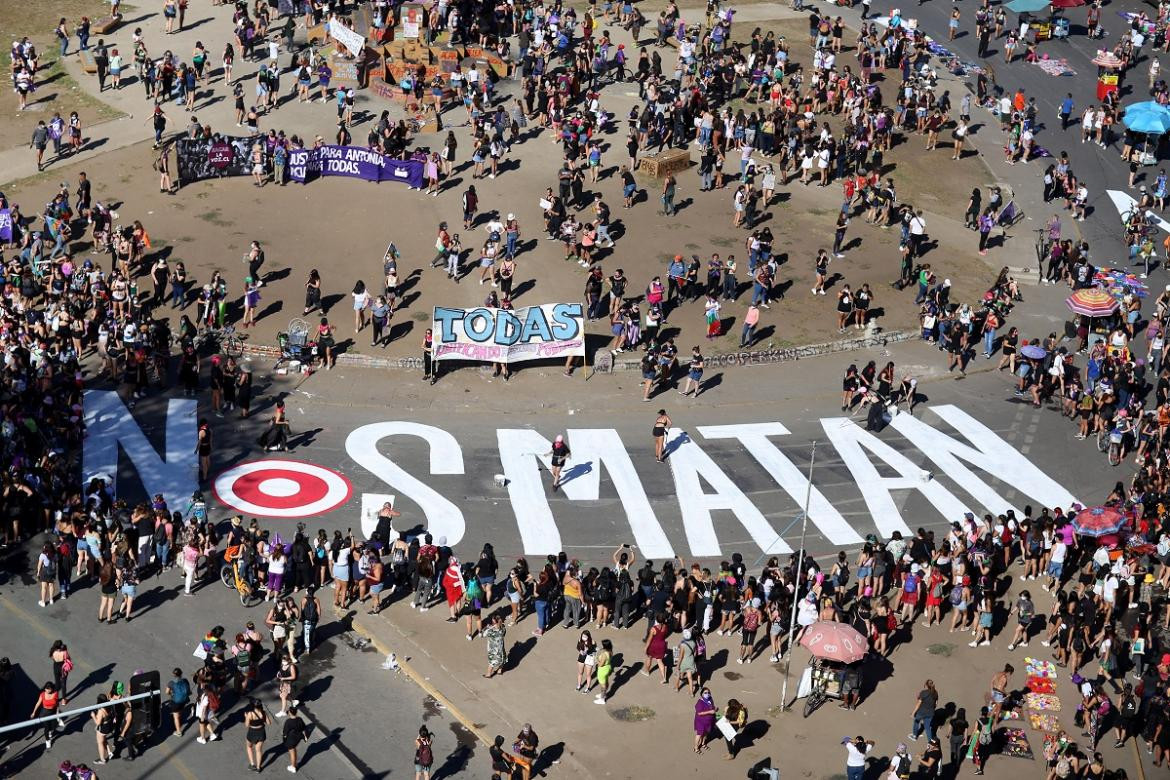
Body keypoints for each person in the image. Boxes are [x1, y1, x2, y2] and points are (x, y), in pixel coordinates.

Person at [243, 697, 271, 772]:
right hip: (261, 732)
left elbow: (246, 725)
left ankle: (252, 764)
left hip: (252, 732)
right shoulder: (263, 712)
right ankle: (258, 767)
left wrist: (246, 717)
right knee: (258, 750)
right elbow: (269, 723)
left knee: (249, 747)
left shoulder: (250, 714)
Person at [282, 705, 308, 773]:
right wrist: (305, 737)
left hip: (291, 739)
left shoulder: (288, 722)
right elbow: (304, 728)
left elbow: (285, 733)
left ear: (290, 713)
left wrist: (284, 741)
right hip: (298, 738)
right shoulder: (299, 719)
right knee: (294, 750)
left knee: (292, 752)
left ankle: (293, 767)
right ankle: (294, 763)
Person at [166, 668, 191, 736]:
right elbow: (188, 690)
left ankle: (178, 732)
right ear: (181, 673)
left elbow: (167, 692)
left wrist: (172, 693)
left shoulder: (171, 683)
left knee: (175, 717)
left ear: (174, 675)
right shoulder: (185, 680)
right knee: (180, 710)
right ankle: (180, 716)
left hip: (175, 702)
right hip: (184, 700)